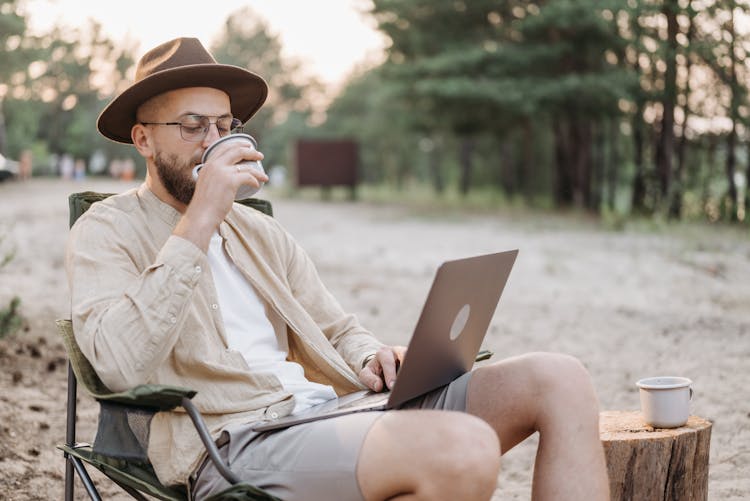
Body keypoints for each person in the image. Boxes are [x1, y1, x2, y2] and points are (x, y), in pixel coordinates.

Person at [66, 37, 609, 501]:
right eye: (191, 126)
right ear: (143, 138)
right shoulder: (106, 230)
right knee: (463, 447)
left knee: (558, 379)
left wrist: (370, 357)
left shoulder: (259, 232)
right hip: (234, 442)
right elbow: (118, 365)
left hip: (332, 411)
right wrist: (201, 218)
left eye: (224, 125)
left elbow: (337, 327)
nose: (214, 142)